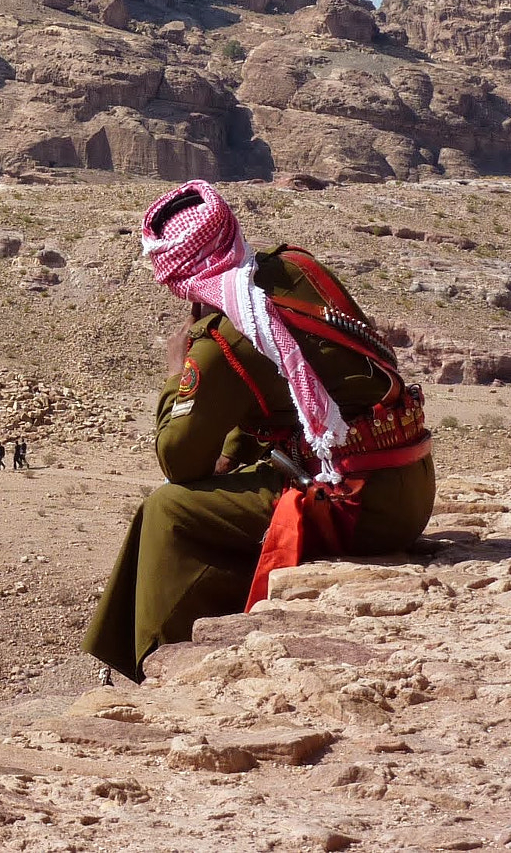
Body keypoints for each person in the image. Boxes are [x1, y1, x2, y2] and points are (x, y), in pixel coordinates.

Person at [82, 180, 436, 683]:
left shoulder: (225, 339)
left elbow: (178, 461)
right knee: (224, 487)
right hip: (411, 482)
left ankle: (161, 665)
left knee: (166, 508)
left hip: (361, 506)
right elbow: (284, 395)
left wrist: (175, 370)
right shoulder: (298, 269)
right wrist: (232, 451)